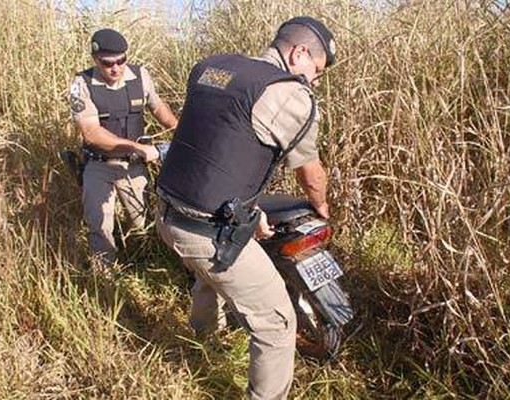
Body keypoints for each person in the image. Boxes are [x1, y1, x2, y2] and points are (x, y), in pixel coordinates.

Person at [154, 16, 336, 399]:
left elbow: (220, 149)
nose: (315, 81)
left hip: (169, 211)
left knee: (212, 274)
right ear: (299, 52)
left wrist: (251, 211)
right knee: (276, 323)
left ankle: (203, 338)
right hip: (206, 232)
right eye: (316, 71)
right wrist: (322, 207)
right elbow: (310, 173)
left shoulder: (213, 67)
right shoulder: (289, 94)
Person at [69, 28, 178, 268]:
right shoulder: (82, 84)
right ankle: (106, 280)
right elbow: (90, 133)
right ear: (95, 59)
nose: (116, 68)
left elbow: (158, 107)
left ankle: (141, 267)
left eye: (121, 60)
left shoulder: (140, 76)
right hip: (100, 165)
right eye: (108, 63)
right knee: (100, 227)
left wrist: (179, 129)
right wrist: (136, 147)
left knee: (142, 224)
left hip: (134, 167)